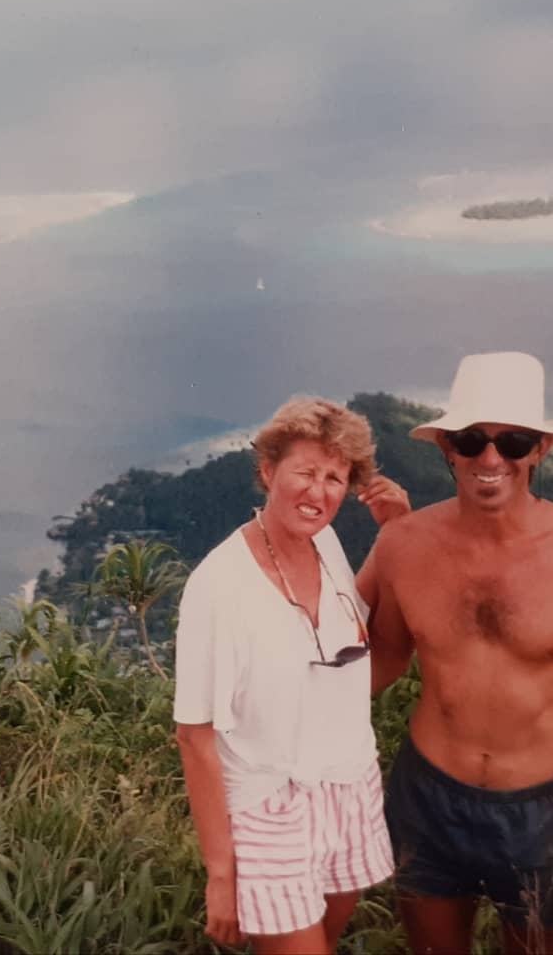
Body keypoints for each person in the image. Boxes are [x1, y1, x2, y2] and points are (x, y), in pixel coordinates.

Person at [174, 396, 410, 953]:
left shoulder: (323, 544)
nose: (318, 491)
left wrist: (398, 532)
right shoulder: (219, 585)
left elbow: (359, 639)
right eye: (305, 472)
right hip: (270, 803)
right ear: (267, 471)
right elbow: (194, 735)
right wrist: (222, 875)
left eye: (334, 477)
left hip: (346, 785)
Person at [362, 350, 553, 955]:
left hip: (541, 806)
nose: (491, 458)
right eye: (471, 441)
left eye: (513, 440)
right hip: (430, 796)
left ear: (539, 450)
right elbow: (384, 656)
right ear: (446, 447)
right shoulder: (405, 545)